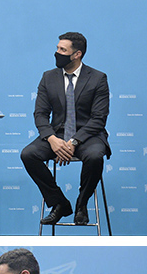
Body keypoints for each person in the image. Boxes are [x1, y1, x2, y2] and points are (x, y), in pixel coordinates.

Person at [20, 32, 110, 226]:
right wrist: (52, 139)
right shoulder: (48, 77)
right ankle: (60, 203)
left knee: (95, 157)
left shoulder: (98, 78)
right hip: (57, 133)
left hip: (88, 135)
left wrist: (74, 141)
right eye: (57, 48)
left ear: (77, 54)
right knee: (28, 154)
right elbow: (40, 114)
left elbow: (98, 119)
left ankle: (81, 204)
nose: (57, 53)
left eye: (62, 50)